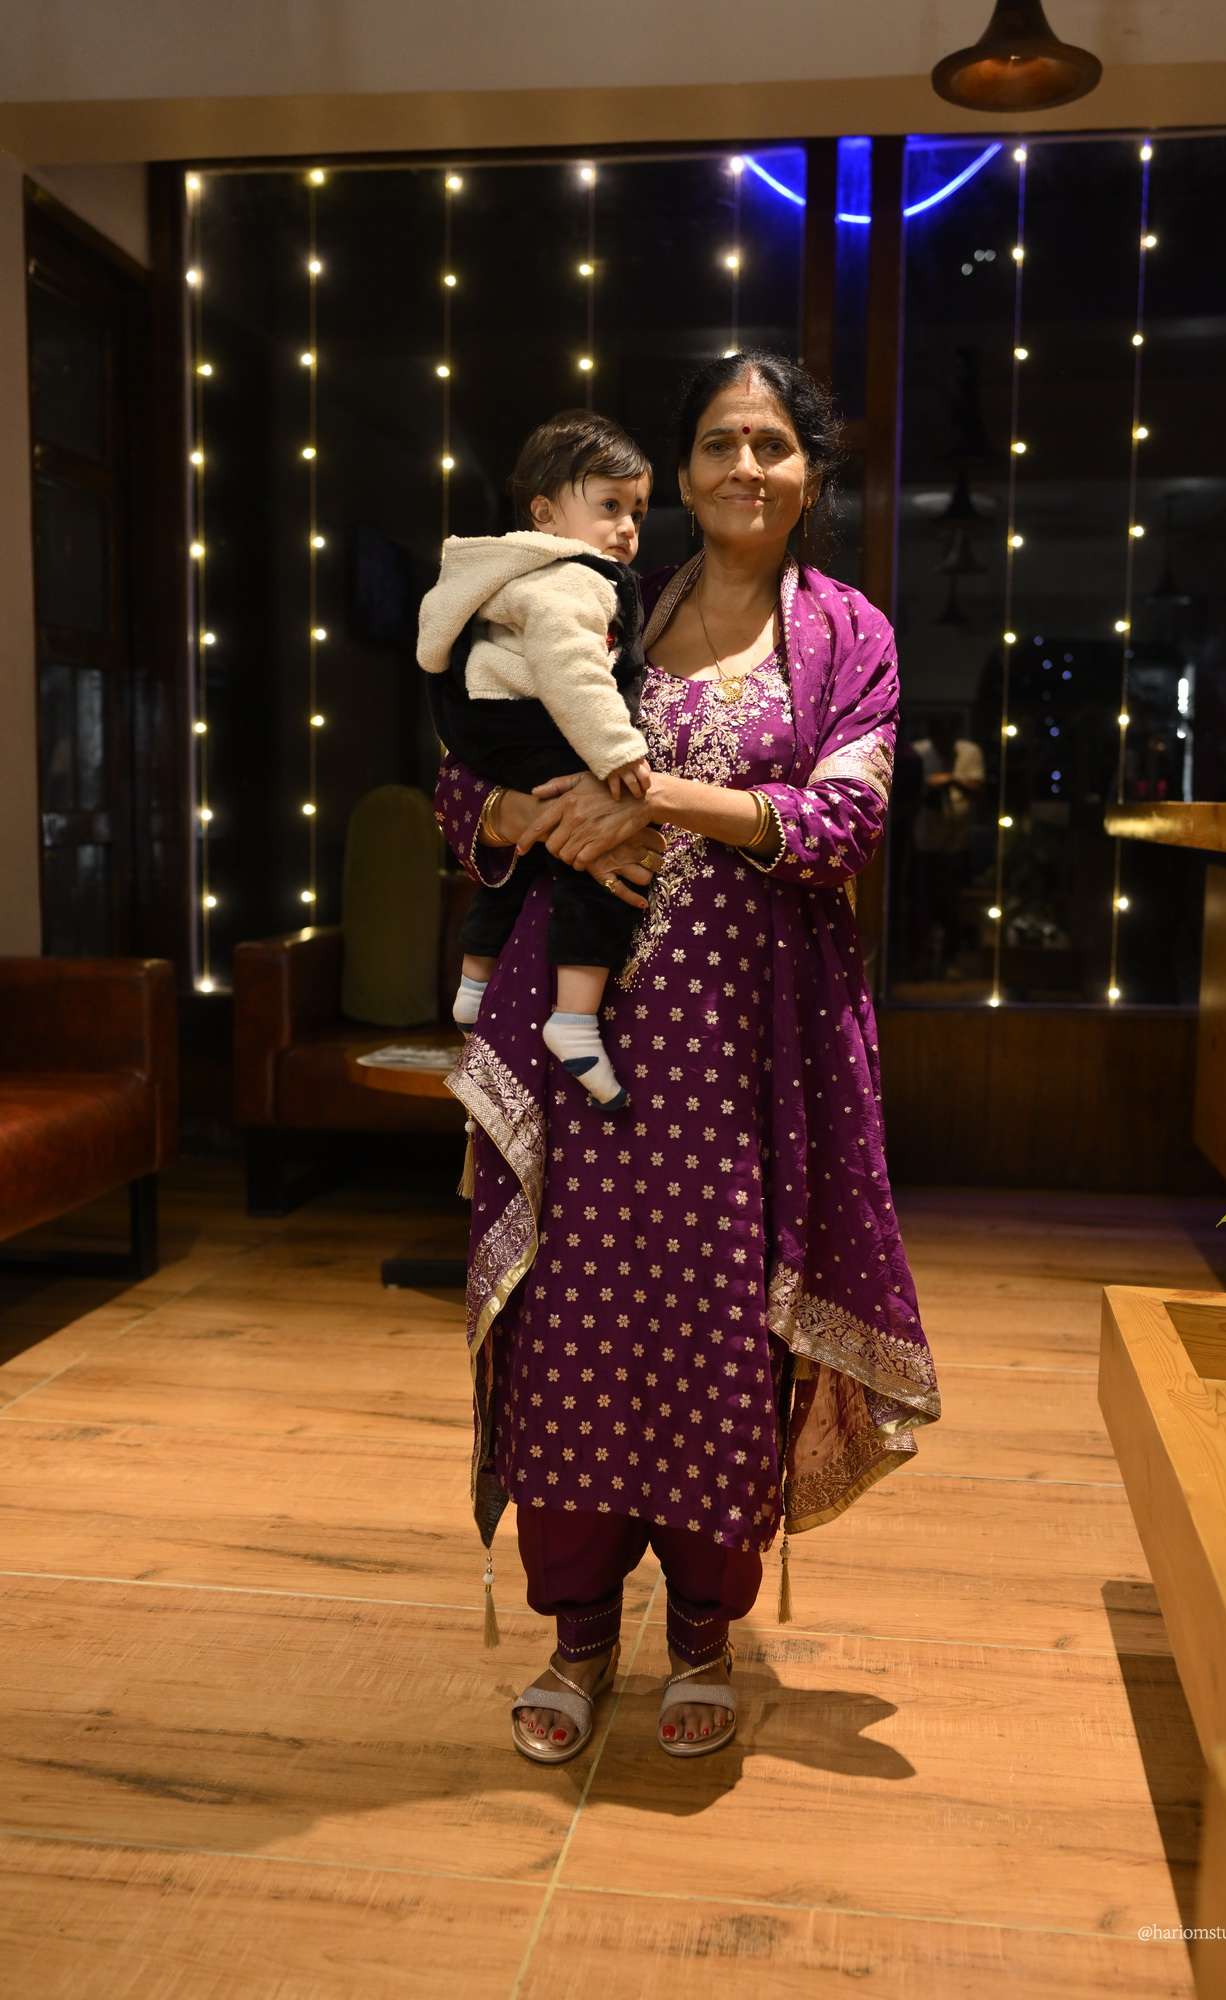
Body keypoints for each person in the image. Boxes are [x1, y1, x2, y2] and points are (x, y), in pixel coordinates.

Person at [432, 350, 940, 1767]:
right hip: (576, 1054)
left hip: (744, 1058)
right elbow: (465, 777)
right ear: (680, 472)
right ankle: (579, 1626)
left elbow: (841, 826)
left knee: (718, 1330)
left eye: (773, 443)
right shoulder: (598, 597)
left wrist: (653, 797)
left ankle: (705, 1628)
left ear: (810, 474)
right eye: (720, 442)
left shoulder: (846, 635)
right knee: (571, 1325)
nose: (745, 468)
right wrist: (550, 818)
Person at [418, 410, 654, 1109]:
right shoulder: (574, 578)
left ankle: (473, 981)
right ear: (545, 512)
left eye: (637, 512)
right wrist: (616, 751)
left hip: (492, 719)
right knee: (593, 851)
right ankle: (573, 1021)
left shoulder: (518, 570)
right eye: (609, 506)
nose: (626, 527)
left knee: (527, 860)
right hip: (530, 717)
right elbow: (572, 666)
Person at [911, 714, 985, 978]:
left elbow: (979, 788)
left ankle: (950, 961)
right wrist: (930, 787)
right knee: (923, 905)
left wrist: (951, 780)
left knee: (953, 905)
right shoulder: (919, 752)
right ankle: (921, 962)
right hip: (925, 841)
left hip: (956, 841)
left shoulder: (969, 752)